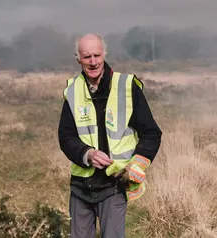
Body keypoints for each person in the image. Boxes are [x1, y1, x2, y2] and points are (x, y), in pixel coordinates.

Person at [58, 33, 162, 238]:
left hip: (114, 185)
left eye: (97, 55)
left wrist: (138, 164)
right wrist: (87, 154)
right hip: (80, 186)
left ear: (105, 53)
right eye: (87, 57)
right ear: (78, 58)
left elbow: (151, 133)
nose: (93, 62)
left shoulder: (127, 86)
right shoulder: (72, 90)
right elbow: (66, 137)